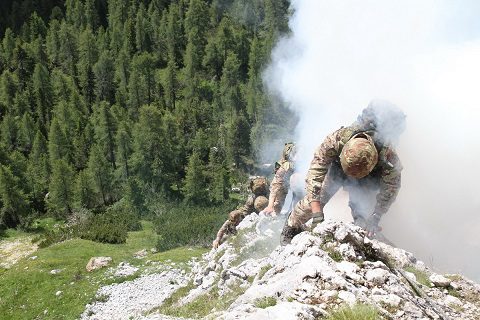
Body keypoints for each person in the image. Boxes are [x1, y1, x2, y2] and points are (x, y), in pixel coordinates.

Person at [280, 101, 405, 245]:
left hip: (368, 177)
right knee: (313, 202)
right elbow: (315, 172)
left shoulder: (388, 157)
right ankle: (290, 228)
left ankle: (362, 225)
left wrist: (375, 217)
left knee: (364, 212)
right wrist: (316, 211)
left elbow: (391, 189)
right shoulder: (336, 140)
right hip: (338, 170)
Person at [212, 176, 269, 248]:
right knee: (223, 240)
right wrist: (217, 240)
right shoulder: (231, 221)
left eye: (235, 220)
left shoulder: (245, 213)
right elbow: (222, 230)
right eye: (233, 221)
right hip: (235, 233)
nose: (234, 222)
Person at [261, 142, 297, 216]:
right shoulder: (285, 167)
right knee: (277, 205)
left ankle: (292, 212)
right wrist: (270, 206)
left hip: (299, 186)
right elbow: (275, 186)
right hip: (284, 184)